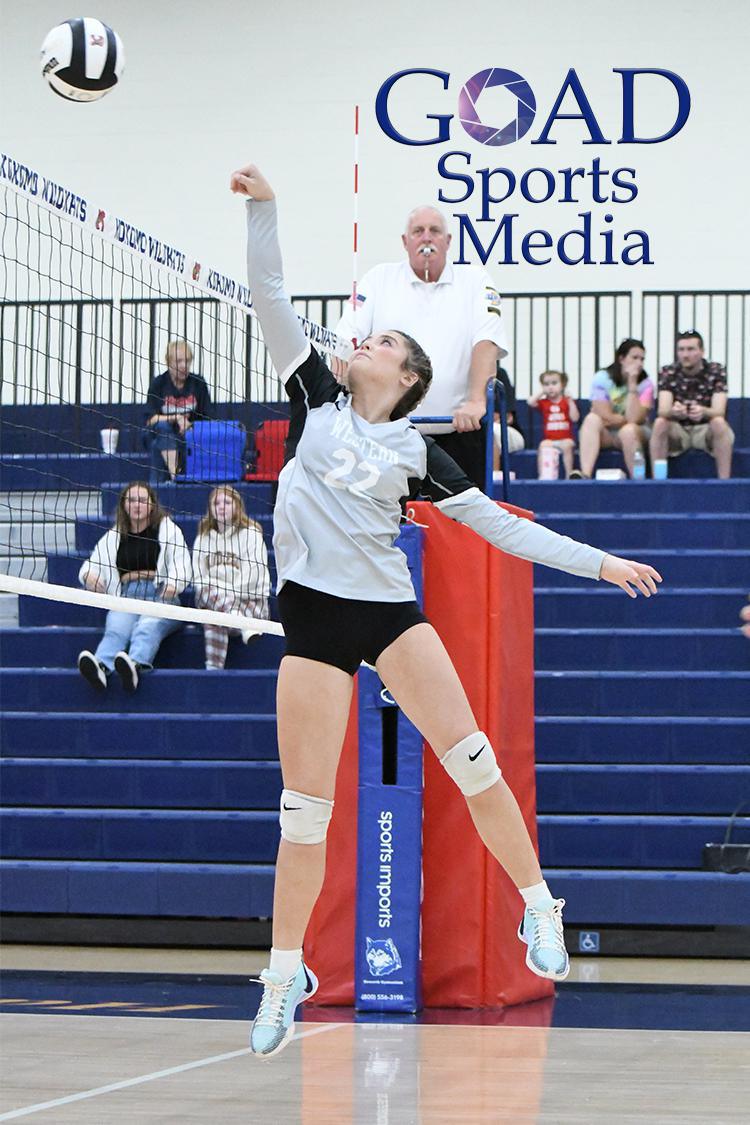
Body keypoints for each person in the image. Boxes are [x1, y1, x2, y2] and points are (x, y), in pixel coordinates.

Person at [230, 162, 662, 1059]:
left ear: (406, 372)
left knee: (475, 764)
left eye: (380, 340)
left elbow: (505, 532)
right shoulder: (312, 391)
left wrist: (601, 562)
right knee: (302, 812)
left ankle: (539, 908)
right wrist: (268, 204)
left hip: (390, 616)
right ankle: (284, 973)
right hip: (312, 620)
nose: (362, 343)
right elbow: (267, 289)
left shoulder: (418, 455)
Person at [335, 205, 507, 488]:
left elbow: (486, 342)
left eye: (435, 231)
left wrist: (477, 401)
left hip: (460, 431)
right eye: (418, 231)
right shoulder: (379, 278)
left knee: (462, 526)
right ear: (406, 241)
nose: (426, 238)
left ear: (448, 241)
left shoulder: (475, 280)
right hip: (387, 435)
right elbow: (348, 336)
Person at [76, 482, 191, 692]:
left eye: (142, 500)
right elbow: (89, 566)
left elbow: (181, 563)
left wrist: (174, 584)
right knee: (116, 630)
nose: (136, 505)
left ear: (152, 505)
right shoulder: (115, 535)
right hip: (127, 596)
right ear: (124, 505)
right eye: (131, 500)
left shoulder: (167, 529)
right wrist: (89, 576)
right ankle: (101, 667)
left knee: (146, 627)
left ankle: (134, 666)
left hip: (160, 594)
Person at [192, 485, 271, 669]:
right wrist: (222, 594)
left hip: (252, 606)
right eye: (216, 503)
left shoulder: (251, 534)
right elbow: (199, 578)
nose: (221, 506)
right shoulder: (203, 537)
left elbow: (254, 574)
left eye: (227, 502)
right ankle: (242, 626)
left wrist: (228, 594)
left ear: (237, 506)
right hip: (220, 604)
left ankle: (212, 670)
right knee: (207, 592)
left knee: (214, 615)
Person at [649, 331, 735, 479]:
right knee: (660, 423)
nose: (685, 355)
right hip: (678, 430)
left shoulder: (716, 371)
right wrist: (674, 411)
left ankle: (724, 481)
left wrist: (704, 411)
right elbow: (663, 410)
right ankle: (658, 480)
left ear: (702, 351)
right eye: (681, 350)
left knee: (719, 423)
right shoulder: (668, 372)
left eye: (690, 349)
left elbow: (719, 410)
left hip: (706, 429)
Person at [573, 339, 653, 479]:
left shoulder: (646, 384)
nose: (639, 363)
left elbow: (635, 419)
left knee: (628, 431)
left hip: (636, 433)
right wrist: (623, 419)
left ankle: (638, 479)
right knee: (591, 419)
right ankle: (585, 473)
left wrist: (632, 385)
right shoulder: (602, 378)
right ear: (621, 358)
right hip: (608, 433)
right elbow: (603, 415)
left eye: (642, 359)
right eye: (634, 358)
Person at [144, 340, 211, 482]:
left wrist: (190, 426)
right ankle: (176, 477)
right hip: (163, 434)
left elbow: (207, 417)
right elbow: (151, 420)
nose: (183, 366)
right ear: (168, 362)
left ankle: (166, 483)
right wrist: (177, 418)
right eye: (179, 361)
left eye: (187, 361)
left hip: (190, 435)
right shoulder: (159, 384)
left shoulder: (198, 383)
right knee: (162, 432)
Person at [527, 370, 580, 479]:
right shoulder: (544, 402)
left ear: (562, 385)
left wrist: (570, 402)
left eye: (554, 383)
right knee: (543, 445)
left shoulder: (566, 401)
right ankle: (543, 474)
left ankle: (568, 474)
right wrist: (542, 392)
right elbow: (530, 402)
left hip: (566, 438)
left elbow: (575, 418)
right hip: (550, 440)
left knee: (567, 446)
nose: (550, 387)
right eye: (546, 384)